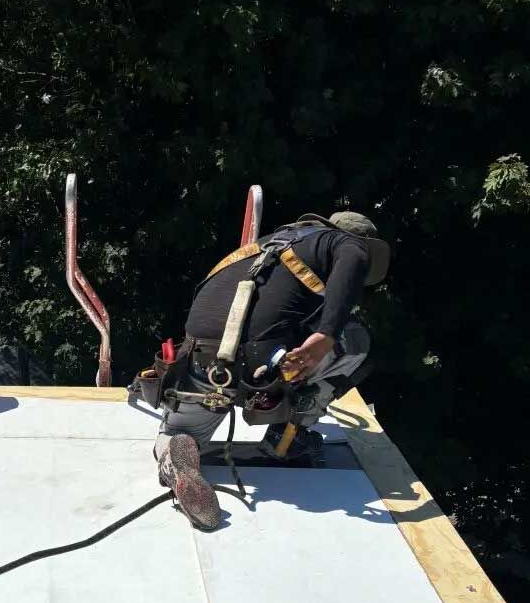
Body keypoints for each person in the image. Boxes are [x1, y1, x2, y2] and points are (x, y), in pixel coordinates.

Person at [155, 211, 390, 530]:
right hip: (262, 364)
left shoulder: (263, 247)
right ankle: (287, 435)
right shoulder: (344, 243)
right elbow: (354, 255)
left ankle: (176, 453)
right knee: (357, 341)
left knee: (178, 433)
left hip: (198, 360)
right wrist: (326, 334)